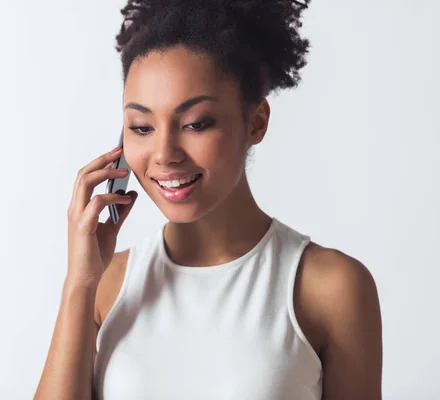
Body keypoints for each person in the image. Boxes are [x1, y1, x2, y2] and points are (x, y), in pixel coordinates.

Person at [34, 0, 383, 399]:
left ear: (256, 122)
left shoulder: (330, 287)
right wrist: (79, 283)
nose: (165, 153)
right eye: (142, 126)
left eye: (196, 123)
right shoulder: (106, 283)